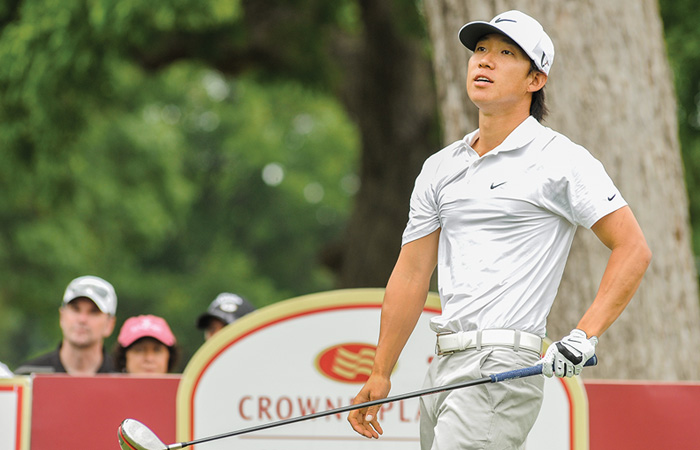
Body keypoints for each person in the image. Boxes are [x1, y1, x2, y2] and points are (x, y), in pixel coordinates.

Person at [347, 10, 651, 450]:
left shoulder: (561, 159)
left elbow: (632, 248)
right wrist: (380, 371)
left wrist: (583, 335)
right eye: (481, 51)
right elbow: (412, 274)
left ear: (535, 80)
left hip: (504, 364)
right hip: (444, 363)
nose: (484, 62)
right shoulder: (440, 167)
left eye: (506, 53)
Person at [15, 275, 118, 375]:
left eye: (94, 312)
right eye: (75, 309)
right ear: (62, 316)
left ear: (110, 324)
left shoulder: (124, 377)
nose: (82, 319)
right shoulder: (29, 375)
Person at [113, 315, 179, 374]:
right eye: (139, 350)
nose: (149, 358)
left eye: (157, 350)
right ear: (123, 357)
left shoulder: (187, 387)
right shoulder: (105, 387)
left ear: (169, 356)